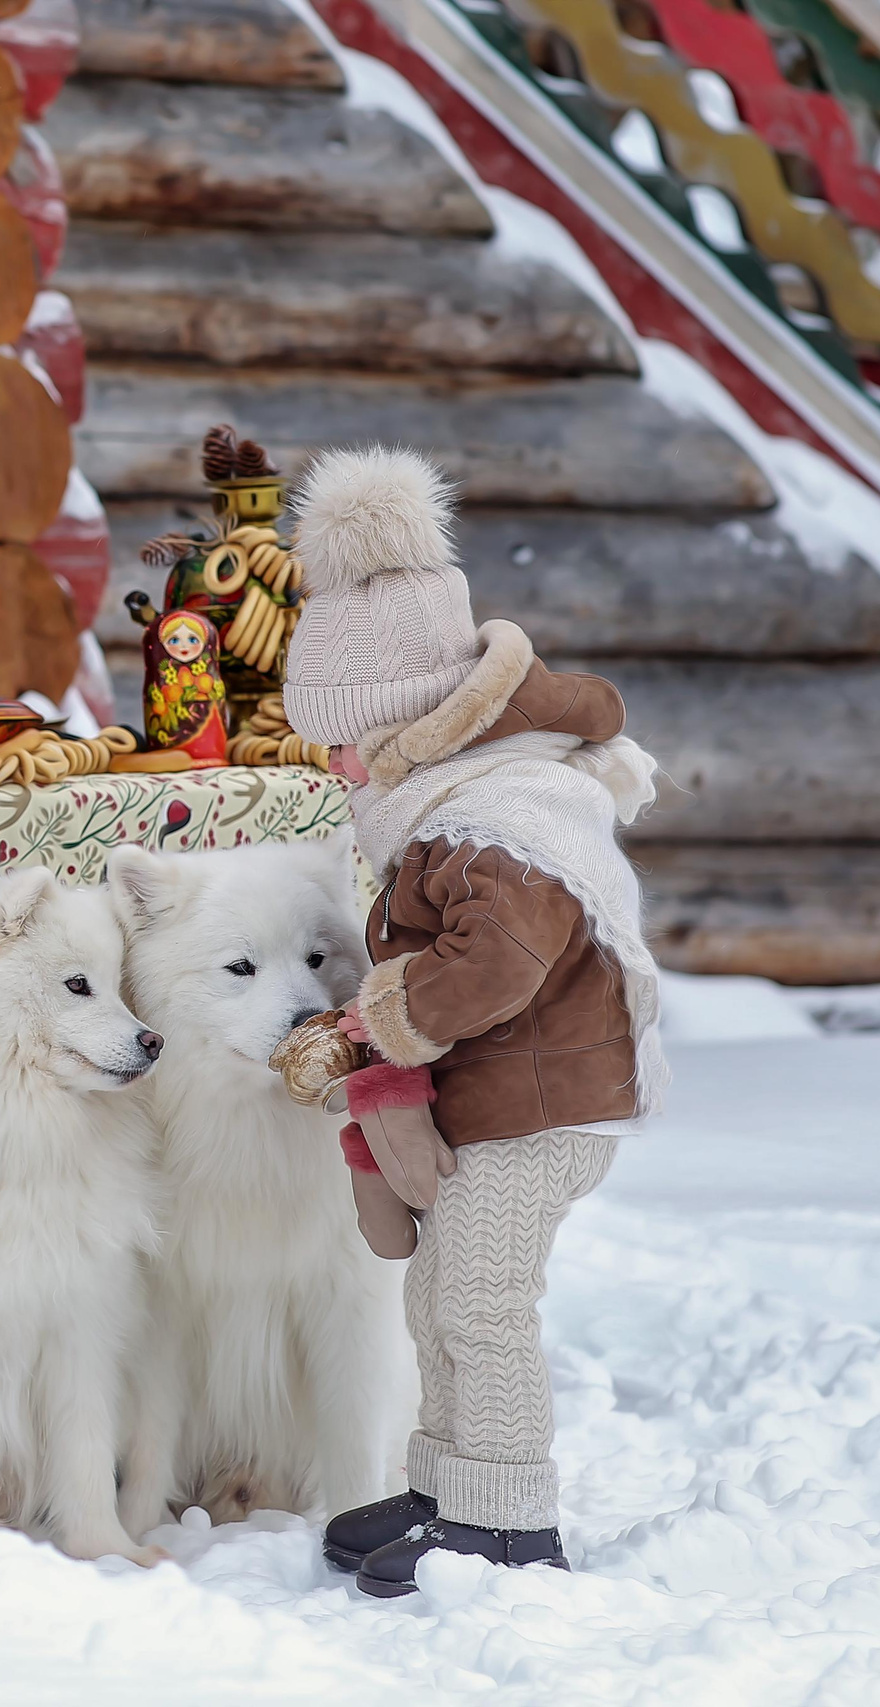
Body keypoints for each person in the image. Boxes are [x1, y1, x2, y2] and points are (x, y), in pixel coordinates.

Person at [278, 446, 665, 1598]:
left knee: (484, 1303)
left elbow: (494, 961)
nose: (335, 764)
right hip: (502, 1098)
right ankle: (450, 1487)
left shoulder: (502, 814)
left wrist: (374, 1021)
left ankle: (508, 1523)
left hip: (542, 1108)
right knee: (437, 1291)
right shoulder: (447, 807)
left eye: (345, 738)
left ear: (417, 725)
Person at [141, 607, 230, 766]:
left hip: (212, 749)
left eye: (193, 640)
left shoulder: (208, 679)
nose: (184, 646)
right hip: (168, 757)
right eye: (174, 640)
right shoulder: (162, 681)